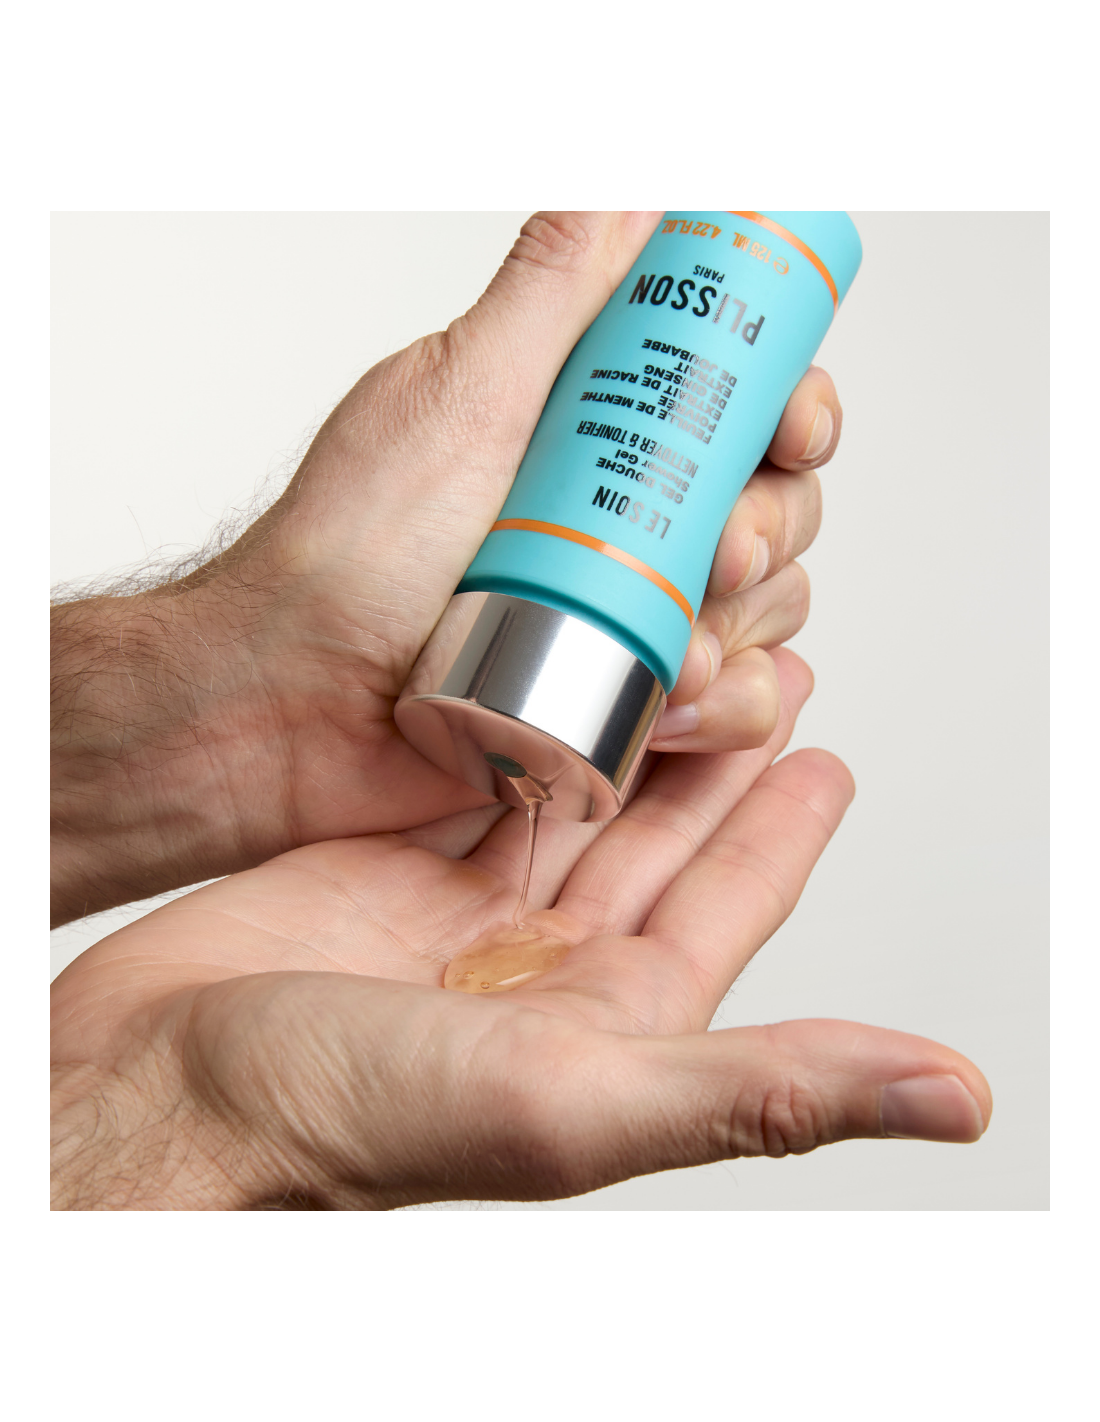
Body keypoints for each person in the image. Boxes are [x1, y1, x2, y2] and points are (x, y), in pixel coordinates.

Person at [50, 211, 991, 1210]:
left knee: (729, 513)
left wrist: (170, 1107)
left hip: (531, 659)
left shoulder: (781, 232)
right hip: (486, 638)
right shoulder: (642, 217)